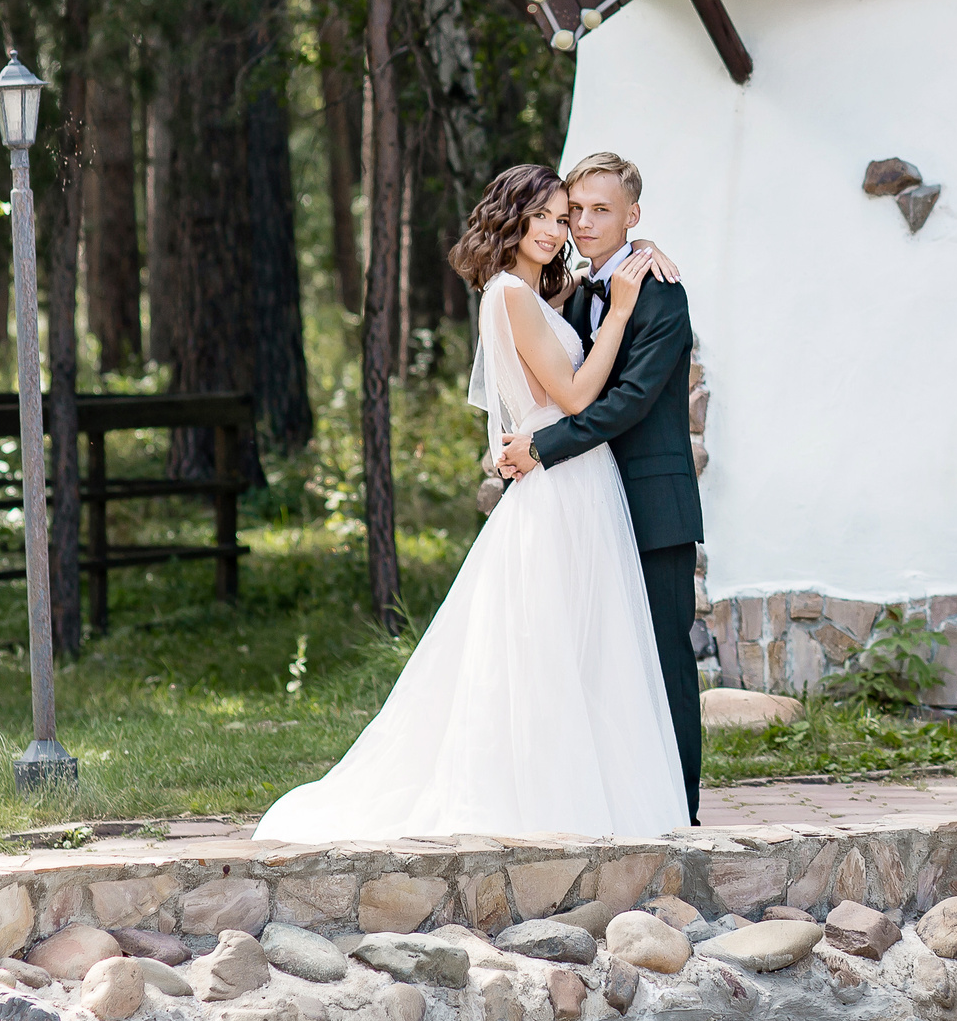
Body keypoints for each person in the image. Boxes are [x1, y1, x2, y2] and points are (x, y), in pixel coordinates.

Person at [254, 164, 689, 841]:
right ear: (512, 218)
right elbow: (578, 396)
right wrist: (621, 311)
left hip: (587, 483)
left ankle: (617, 797)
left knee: (592, 650)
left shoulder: (557, 291)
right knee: (549, 647)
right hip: (564, 486)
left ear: (629, 215)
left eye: (566, 216)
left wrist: (642, 255)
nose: (562, 228)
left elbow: (592, 376)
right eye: (549, 215)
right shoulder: (516, 294)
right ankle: (551, 799)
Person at [496, 150, 706, 823]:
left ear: (632, 215)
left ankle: (681, 812)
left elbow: (630, 401)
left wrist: (543, 448)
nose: (583, 223)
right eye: (575, 211)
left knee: (664, 661)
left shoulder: (661, 293)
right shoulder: (582, 292)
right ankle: (622, 803)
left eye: (600, 210)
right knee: (604, 660)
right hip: (590, 505)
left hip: (653, 506)